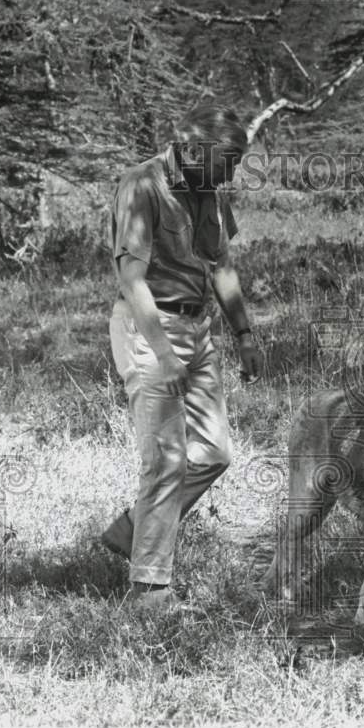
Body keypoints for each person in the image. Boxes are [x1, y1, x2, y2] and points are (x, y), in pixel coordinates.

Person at [100, 102, 263, 609]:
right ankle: (150, 592)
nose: (234, 170)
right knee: (166, 460)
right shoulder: (140, 185)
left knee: (214, 454)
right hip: (149, 327)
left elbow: (221, 265)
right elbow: (132, 279)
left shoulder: (210, 191)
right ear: (193, 149)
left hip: (198, 327)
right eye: (229, 158)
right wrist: (164, 354)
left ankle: (135, 530)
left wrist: (244, 334)